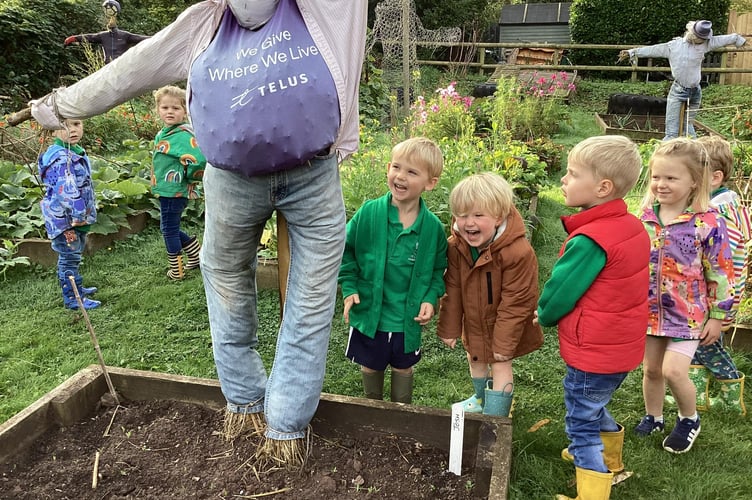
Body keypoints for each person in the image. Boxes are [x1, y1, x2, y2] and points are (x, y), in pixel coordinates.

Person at [30, 0, 367, 466]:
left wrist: (55, 107)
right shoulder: (332, 8)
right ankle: (286, 427)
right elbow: (129, 69)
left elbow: (126, 73)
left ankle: (245, 404)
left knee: (226, 277)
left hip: (231, 178)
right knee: (309, 299)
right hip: (311, 171)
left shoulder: (206, 22)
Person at [535, 136, 649, 499]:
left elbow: (561, 289)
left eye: (572, 174)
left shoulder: (591, 240)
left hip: (594, 349)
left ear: (602, 187)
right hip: (622, 347)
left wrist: (543, 313)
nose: (564, 181)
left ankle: (592, 488)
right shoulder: (632, 227)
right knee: (594, 403)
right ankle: (611, 459)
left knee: (581, 419)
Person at [634, 138, 735, 456]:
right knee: (651, 370)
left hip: (689, 314)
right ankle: (654, 416)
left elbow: (721, 271)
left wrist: (718, 317)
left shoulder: (707, 223)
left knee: (673, 371)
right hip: (649, 312)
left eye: (671, 178)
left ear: (694, 181)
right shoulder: (645, 219)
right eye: (656, 177)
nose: (661, 184)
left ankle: (689, 418)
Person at [339, 137, 447, 404]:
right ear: (388, 168)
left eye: (412, 172)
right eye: (396, 167)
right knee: (370, 364)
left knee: (403, 366)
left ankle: (402, 413)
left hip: (406, 319)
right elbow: (346, 251)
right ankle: (373, 408)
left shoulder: (432, 229)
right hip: (370, 314)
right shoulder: (369, 214)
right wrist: (350, 287)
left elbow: (438, 270)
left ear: (430, 183)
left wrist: (429, 299)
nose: (400, 176)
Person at [437, 172, 543, 418]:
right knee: (475, 356)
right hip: (474, 319)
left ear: (498, 217)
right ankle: (481, 398)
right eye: (462, 216)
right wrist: (450, 327)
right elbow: (451, 288)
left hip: (505, 322)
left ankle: (496, 417)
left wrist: (504, 344)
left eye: (478, 215)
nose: (468, 223)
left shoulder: (517, 252)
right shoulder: (457, 247)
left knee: (500, 362)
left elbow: (517, 302)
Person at [682, 135, 747, 415]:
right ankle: (696, 392)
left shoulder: (717, 215)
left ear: (715, 177)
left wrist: (719, 311)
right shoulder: (726, 207)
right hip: (708, 298)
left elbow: (725, 266)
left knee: (707, 344)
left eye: (693, 176)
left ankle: (731, 393)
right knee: (694, 343)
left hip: (715, 300)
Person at [618, 20, 746, 140]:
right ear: (696, 36)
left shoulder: (706, 43)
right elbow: (652, 49)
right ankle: (670, 158)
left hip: (695, 92)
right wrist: (632, 52)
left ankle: (694, 155)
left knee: (686, 127)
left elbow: (726, 38)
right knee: (672, 132)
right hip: (678, 91)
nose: (705, 40)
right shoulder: (673, 46)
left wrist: (740, 40)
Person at [38, 118, 101, 310]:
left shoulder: (74, 152)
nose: (72, 130)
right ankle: (73, 297)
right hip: (67, 221)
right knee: (69, 257)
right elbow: (66, 191)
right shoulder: (60, 159)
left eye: (76, 124)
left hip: (76, 219)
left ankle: (77, 290)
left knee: (73, 254)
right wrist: (79, 214)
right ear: (52, 132)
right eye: (64, 126)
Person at [151, 85, 206, 280]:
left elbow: (198, 159)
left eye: (175, 108)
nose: (170, 112)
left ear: (185, 111)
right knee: (169, 227)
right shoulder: (166, 132)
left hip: (175, 190)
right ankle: (196, 255)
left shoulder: (182, 135)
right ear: (158, 109)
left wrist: (189, 177)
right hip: (168, 189)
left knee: (168, 230)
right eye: (165, 108)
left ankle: (177, 270)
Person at [64, 2, 150, 64]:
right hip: (108, 67)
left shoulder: (125, 35)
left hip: (123, 66)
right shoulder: (103, 36)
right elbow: (89, 37)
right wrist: (74, 38)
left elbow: (142, 38)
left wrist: (161, 37)